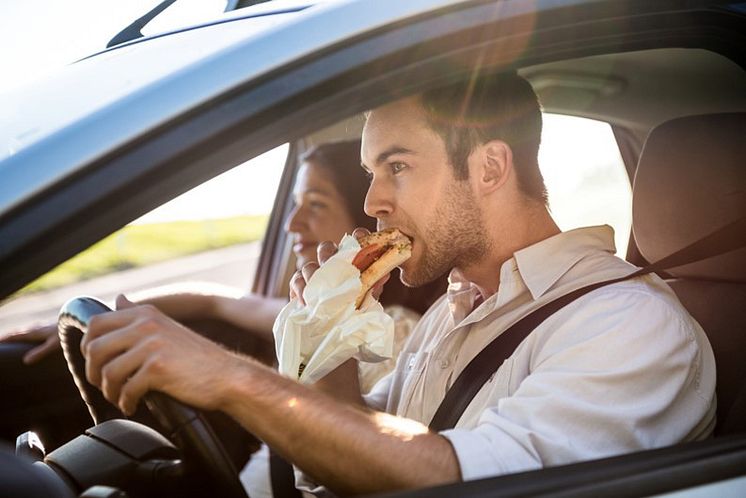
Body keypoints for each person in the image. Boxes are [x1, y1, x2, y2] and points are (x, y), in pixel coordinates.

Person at [75, 72, 715, 496]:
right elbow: (364, 450)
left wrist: (231, 377)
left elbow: (459, 480)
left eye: (397, 167)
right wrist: (325, 341)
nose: (374, 200)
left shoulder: (628, 324)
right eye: (369, 172)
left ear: (490, 166)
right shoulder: (456, 308)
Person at [2, 140, 442, 393]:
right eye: (293, 205)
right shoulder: (319, 312)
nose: (292, 223)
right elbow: (217, 300)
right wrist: (104, 314)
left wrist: (223, 376)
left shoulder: (394, 333)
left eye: (316, 204)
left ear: (363, 223)